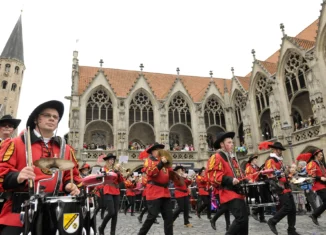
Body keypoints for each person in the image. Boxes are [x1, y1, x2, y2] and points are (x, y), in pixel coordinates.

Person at [0, 100, 81, 235]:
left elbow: (72, 176)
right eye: (47, 115)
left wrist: (70, 185)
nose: (52, 119)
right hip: (19, 210)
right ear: (37, 119)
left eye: (55, 117)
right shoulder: (15, 144)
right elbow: (2, 171)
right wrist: (18, 176)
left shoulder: (65, 149)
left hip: (55, 212)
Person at [206, 131, 248, 235]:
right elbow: (213, 175)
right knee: (241, 218)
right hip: (228, 192)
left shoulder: (231, 158)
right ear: (222, 144)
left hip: (238, 192)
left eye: (232, 142)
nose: (232, 144)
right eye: (229, 142)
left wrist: (246, 179)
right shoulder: (216, 157)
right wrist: (230, 180)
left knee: (244, 220)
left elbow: (239, 173)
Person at [264, 141, 300, 235]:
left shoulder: (279, 160)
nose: (281, 152)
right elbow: (269, 174)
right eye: (280, 150)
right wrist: (281, 176)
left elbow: (283, 174)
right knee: (287, 207)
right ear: (275, 150)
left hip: (286, 186)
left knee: (292, 209)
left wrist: (289, 177)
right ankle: (272, 221)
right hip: (279, 187)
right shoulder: (270, 160)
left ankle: (291, 229)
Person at [138, 142, 173, 235]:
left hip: (165, 192)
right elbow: (151, 173)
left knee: (169, 217)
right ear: (152, 152)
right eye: (157, 149)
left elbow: (170, 174)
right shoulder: (149, 161)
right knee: (152, 217)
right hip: (154, 191)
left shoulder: (164, 162)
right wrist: (161, 163)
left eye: (160, 149)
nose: (159, 151)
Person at [98, 153, 124, 235]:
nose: (112, 161)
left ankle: (112, 232)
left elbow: (121, 181)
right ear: (107, 160)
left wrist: (118, 173)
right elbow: (102, 179)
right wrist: (110, 172)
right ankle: (101, 227)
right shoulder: (103, 168)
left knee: (115, 214)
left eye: (113, 159)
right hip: (108, 189)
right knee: (111, 212)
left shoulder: (116, 169)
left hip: (116, 191)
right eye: (110, 159)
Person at [0, 115, 21, 214]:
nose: (7, 127)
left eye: (10, 125)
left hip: (9, 191)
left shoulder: (18, 145)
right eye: (4, 125)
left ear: (13, 129)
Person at [306, 149, 326, 226]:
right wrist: (320, 178)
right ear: (315, 155)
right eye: (320, 154)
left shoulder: (321, 164)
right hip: (318, 185)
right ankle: (314, 214)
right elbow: (310, 174)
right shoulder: (312, 163)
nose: (322, 156)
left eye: (322, 154)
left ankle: (314, 215)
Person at [245, 154, 267, 223]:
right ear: (251, 161)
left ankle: (261, 216)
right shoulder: (249, 168)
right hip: (254, 186)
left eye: (256, 159)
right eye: (255, 160)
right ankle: (256, 212)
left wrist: (262, 172)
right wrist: (252, 179)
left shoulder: (257, 167)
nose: (256, 160)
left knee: (262, 201)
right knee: (259, 201)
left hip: (259, 185)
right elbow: (248, 176)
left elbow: (260, 175)